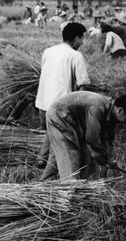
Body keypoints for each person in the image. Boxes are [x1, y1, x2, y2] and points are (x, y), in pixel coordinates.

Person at [41, 92, 126, 180]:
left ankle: (45, 185)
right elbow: (92, 137)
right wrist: (102, 158)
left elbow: (107, 138)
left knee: (61, 154)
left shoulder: (111, 114)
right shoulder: (98, 107)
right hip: (59, 115)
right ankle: (70, 193)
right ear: (120, 110)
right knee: (71, 156)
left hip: (74, 122)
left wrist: (108, 158)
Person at [34, 22, 90, 168]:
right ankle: (50, 170)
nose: (82, 42)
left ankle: (41, 159)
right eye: (82, 39)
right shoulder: (76, 56)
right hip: (59, 106)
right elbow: (83, 84)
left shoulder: (48, 51)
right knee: (60, 138)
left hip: (42, 102)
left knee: (49, 132)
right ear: (77, 38)